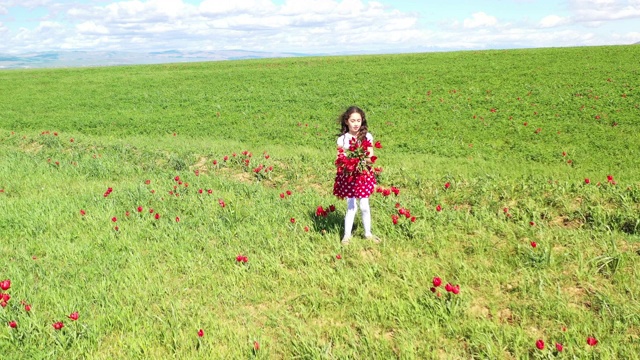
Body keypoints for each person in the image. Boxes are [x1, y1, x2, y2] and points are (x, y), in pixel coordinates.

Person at [333, 106, 381, 245]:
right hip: (349, 177)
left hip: (363, 175)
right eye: (352, 120)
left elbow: (371, 157)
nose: (355, 123)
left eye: (358, 120)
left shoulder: (367, 136)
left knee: (365, 205)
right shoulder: (343, 139)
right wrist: (347, 163)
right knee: (351, 206)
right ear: (347, 121)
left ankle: (368, 233)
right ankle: (347, 235)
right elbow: (339, 159)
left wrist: (361, 159)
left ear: (362, 121)